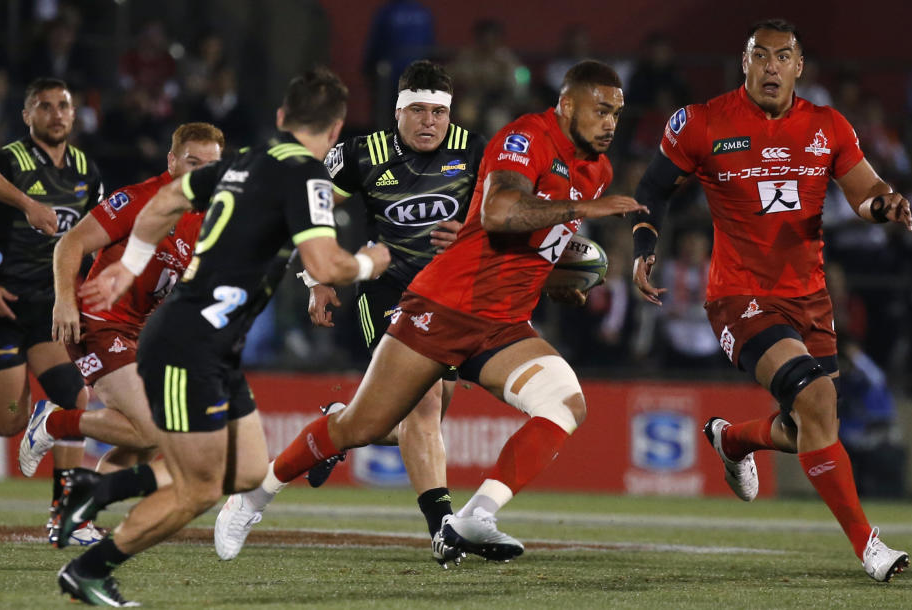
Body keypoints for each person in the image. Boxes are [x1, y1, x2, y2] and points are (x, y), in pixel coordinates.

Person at [216, 59, 644, 566]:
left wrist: (555, 281)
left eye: (616, 112)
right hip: (441, 302)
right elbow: (499, 212)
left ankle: (474, 517)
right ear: (567, 105)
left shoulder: (596, 170)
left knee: (565, 403)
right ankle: (253, 497)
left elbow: (524, 242)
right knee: (363, 426)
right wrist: (317, 277)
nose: (611, 123)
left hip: (503, 321)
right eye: (600, 110)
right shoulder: (525, 136)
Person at [52, 68, 390, 607]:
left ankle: (99, 488)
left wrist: (129, 263)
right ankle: (89, 570)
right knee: (201, 488)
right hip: (192, 342)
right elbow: (327, 261)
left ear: (282, 119)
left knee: (250, 470)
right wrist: (372, 260)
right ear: (335, 131)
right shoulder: (306, 177)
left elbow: (164, 201)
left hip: (212, 344)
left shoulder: (245, 161)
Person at [630, 19, 911, 583]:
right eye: (761, 56)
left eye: (784, 57)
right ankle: (868, 545)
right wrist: (645, 246)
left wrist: (887, 205)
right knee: (811, 397)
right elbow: (653, 187)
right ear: (744, 62)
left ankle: (732, 439)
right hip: (739, 298)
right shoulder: (704, 122)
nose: (772, 67)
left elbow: (865, 193)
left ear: (799, 68)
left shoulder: (827, 126)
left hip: (810, 300)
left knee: (812, 421)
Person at [215, 59, 486, 568]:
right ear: (398, 111)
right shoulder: (361, 154)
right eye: (419, 111)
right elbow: (311, 212)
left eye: (439, 113)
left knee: (402, 421)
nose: (430, 122)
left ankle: (337, 426)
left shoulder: (474, 151)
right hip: (390, 293)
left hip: (453, 301)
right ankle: (444, 531)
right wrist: (316, 279)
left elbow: (499, 219)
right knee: (424, 409)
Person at [18, 123, 224, 532]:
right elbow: (69, 244)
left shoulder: (207, 219)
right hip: (99, 321)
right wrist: (63, 300)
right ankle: (53, 421)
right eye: (192, 162)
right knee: (149, 430)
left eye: (211, 166)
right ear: (172, 161)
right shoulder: (139, 200)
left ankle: (74, 518)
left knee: (141, 448)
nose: (202, 173)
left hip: (142, 335)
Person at [0, 77, 104, 546]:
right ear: (27, 115)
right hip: (1, 303)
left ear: (74, 115)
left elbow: (96, 236)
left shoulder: (86, 171)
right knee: (11, 419)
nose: (56, 114)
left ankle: (68, 517)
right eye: (45, 106)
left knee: (75, 397)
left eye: (64, 106)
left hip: (47, 307)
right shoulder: (7, 160)